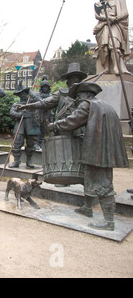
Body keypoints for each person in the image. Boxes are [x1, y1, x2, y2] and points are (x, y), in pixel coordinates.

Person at [48, 82, 129, 230]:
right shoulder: (104, 105)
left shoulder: (87, 105)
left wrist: (55, 125)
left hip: (97, 151)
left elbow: (72, 121)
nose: (77, 100)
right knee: (89, 178)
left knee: (103, 184)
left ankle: (109, 221)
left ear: (85, 95)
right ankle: (87, 207)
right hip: (104, 149)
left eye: (78, 97)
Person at [18, 63, 88, 138]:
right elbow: (44, 103)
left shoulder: (85, 95)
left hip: (80, 130)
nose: (75, 81)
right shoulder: (61, 94)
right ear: (68, 82)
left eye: (77, 79)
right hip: (64, 129)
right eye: (72, 79)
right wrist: (27, 106)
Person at [93, 0, 131, 75]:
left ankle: (116, 67)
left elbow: (125, 12)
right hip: (104, 26)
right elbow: (97, 15)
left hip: (115, 25)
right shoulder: (99, 3)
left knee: (114, 45)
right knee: (105, 47)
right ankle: (106, 67)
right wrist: (108, 18)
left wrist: (115, 18)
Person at [9, 81, 41, 169]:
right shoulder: (16, 104)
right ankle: (16, 161)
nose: (22, 95)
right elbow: (12, 113)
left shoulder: (32, 103)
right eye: (20, 94)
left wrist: (32, 93)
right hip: (20, 124)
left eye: (24, 93)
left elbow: (42, 102)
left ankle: (29, 161)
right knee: (17, 142)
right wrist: (19, 114)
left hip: (31, 124)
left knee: (31, 143)